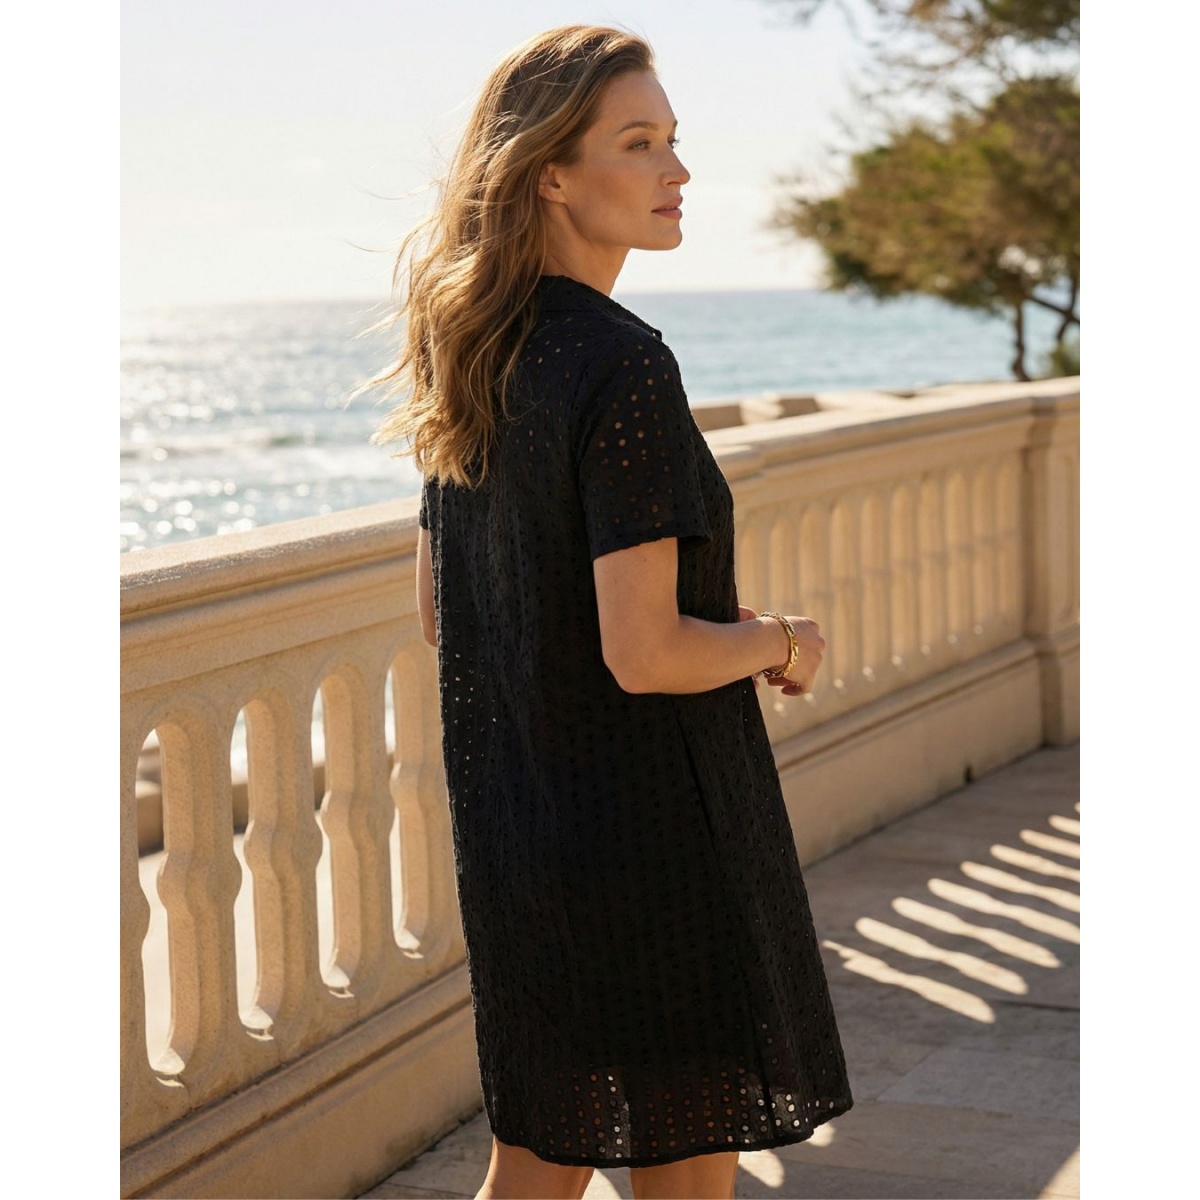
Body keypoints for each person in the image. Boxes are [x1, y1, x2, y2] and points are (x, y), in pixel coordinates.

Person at [361, 24, 853, 1200]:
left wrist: (694, 622)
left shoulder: (475, 353)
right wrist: (780, 642)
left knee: (533, 1174)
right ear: (551, 172)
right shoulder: (622, 365)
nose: (676, 170)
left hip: (525, 842)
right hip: (654, 847)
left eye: (673, 140)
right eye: (639, 143)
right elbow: (644, 653)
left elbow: (448, 612)